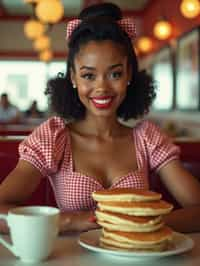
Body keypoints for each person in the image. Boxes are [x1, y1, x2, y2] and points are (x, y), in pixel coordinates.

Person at [0, 3, 200, 234]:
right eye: (88, 75)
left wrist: (143, 225)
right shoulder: (53, 138)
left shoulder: (147, 138)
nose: (102, 87)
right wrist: (69, 221)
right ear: (73, 78)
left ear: (129, 75)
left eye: (115, 73)